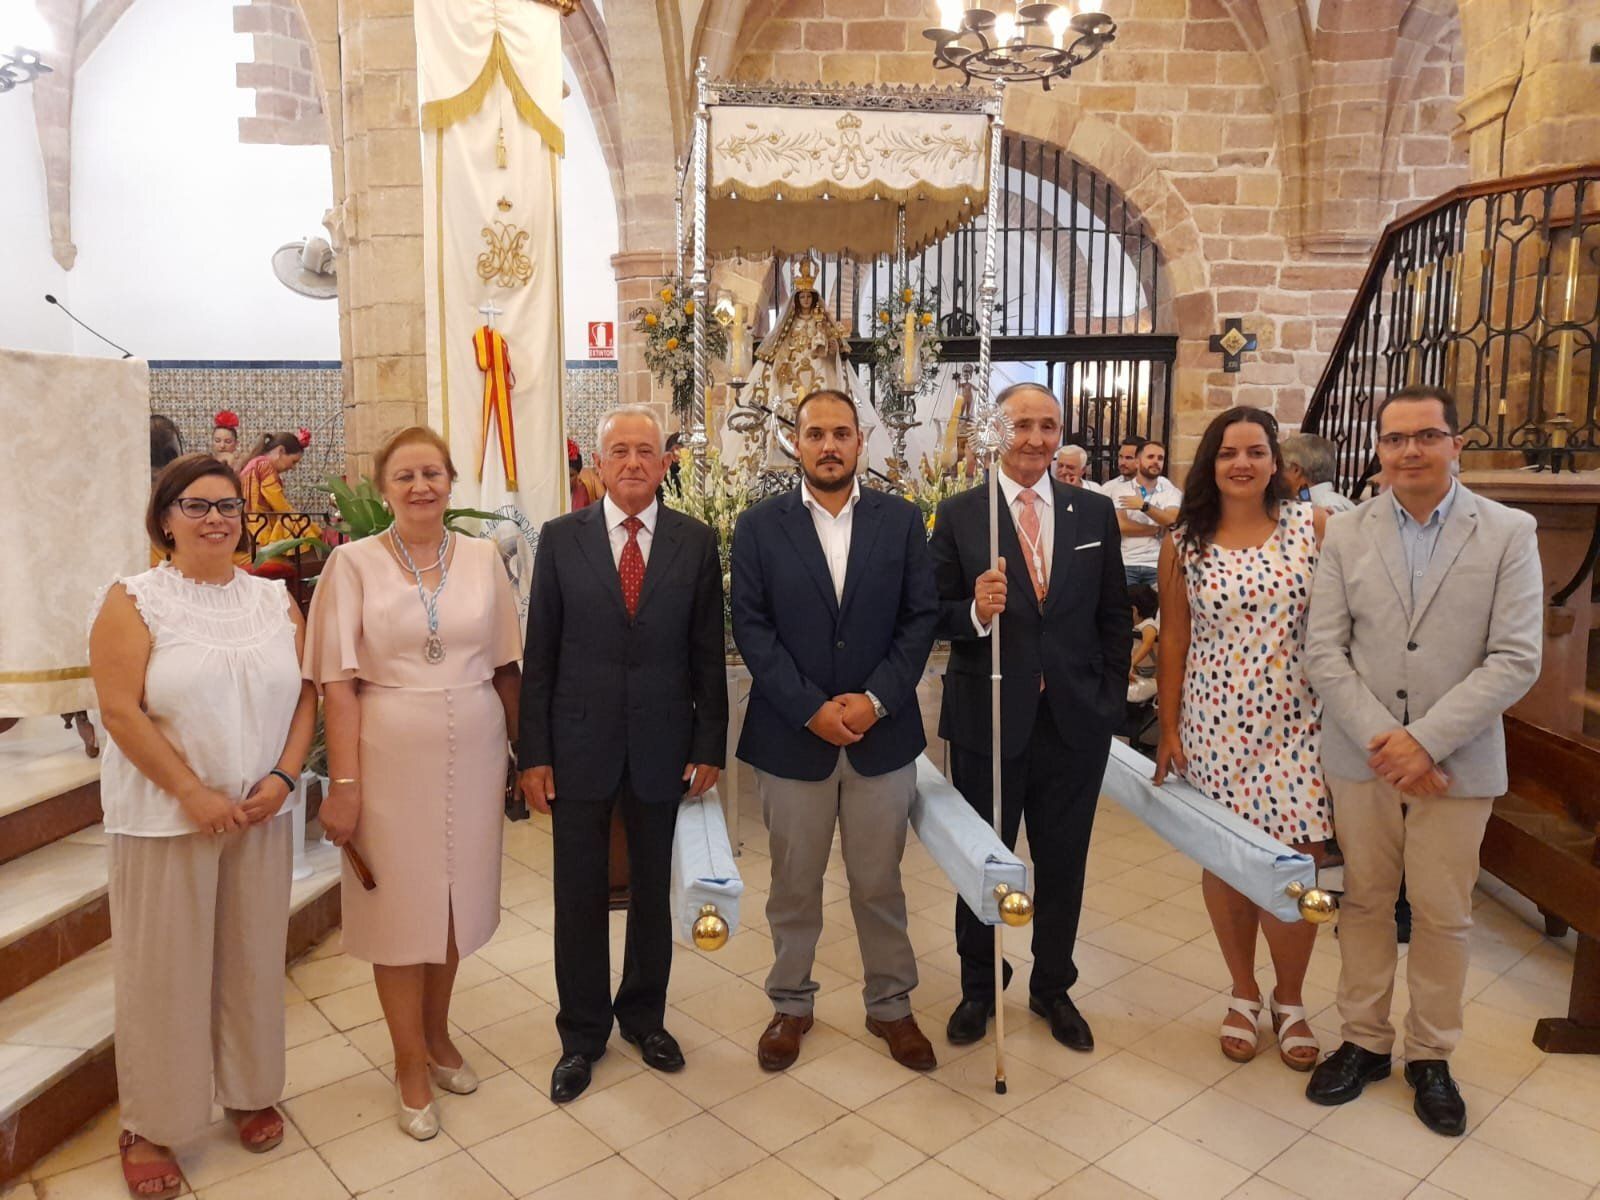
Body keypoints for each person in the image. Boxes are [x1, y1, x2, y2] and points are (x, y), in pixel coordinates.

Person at [1304, 385, 1543, 1137]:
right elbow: (1323, 650)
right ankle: (1364, 1041)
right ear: (1378, 449)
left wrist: (1427, 741)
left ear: (1454, 444)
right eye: (1395, 438)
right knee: (1366, 903)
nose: (1410, 450)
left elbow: (1515, 657)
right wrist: (1389, 742)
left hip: (1457, 763)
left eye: (1426, 436)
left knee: (1444, 914)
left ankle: (1431, 1055)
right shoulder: (1346, 532)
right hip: (1362, 756)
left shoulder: (1507, 531)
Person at [89, 454, 316, 1199]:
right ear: (165, 519)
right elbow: (121, 710)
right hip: (165, 819)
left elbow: (307, 692)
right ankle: (153, 1121)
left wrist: (284, 777)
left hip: (258, 813)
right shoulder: (134, 599)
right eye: (195, 505)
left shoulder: (271, 600)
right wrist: (191, 792)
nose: (215, 517)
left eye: (226, 505)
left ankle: (250, 1089)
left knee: (253, 958)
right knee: (165, 973)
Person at [304, 426, 522, 1140]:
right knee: (401, 911)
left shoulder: (485, 558)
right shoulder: (353, 565)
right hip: (388, 749)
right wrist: (344, 782)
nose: (421, 486)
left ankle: (438, 1034)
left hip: (477, 746)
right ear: (382, 489)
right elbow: (337, 683)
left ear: (452, 480)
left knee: (456, 900)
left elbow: (505, 667)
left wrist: (527, 757)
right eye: (404, 476)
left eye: (432, 472)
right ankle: (407, 1063)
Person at [518, 405, 726, 1103]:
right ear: (598, 465)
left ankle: (644, 1017)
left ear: (665, 464)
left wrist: (709, 744)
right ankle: (581, 1036)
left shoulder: (695, 541)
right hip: (577, 747)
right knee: (576, 897)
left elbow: (706, 654)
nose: (633, 462)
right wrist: (533, 754)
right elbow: (539, 654)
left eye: (645, 451)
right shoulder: (560, 538)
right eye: (619, 451)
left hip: (664, 746)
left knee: (651, 893)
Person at [731, 388, 939, 1073]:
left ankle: (891, 1007)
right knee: (794, 882)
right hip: (794, 739)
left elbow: (919, 619)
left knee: (879, 881)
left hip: (882, 739)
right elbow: (752, 628)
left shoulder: (901, 521)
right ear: (796, 441)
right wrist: (810, 708)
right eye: (815, 433)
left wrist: (875, 700)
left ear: (860, 441)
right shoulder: (760, 526)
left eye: (841, 433)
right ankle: (790, 1003)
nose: (828, 445)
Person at [932, 382, 1130, 1052]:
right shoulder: (962, 515)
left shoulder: (1091, 513)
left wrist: (1106, 701)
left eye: (1049, 426)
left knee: (1063, 859)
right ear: (997, 430)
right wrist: (972, 611)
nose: (1037, 439)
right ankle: (979, 986)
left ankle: (1053, 984)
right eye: (1023, 425)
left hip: (1074, 720)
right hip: (989, 714)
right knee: (982, 859)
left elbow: (1113, 617)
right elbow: (932, 613)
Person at [1152, 408, 1331, 1071]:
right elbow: (1174, 638)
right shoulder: (1184, 542)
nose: (1242, 463)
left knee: (1296, 865)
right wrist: (1167, 729)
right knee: (1227, 863)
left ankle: (1291, 1000)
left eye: (1256, 451)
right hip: (1212, 721)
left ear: (1276, 461)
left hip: (1295, 724)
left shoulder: (1311, 527)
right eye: (1229, 452)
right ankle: (1243, 990)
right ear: (1211, 462)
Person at [749, 256, 852, 463]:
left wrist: (824, 342)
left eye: (808, 297)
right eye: (802, 297)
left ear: (813, 299)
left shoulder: (821, 321)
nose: (805, 301)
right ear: (797, 300)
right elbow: (782, 346)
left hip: (818, 367)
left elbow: (833, 346)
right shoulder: (790, 324)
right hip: (794, 371)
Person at [1104, 439, 1181, 586]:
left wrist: (1143, 506)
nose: (1156, 462)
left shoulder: (1171, 492)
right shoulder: (1121, 489)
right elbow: (1122, 526)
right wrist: (1158, 529)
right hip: (1127, 562)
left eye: (1160, 458)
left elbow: (1172, 521)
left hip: (1158, 563)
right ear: (1138, 462)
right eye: (1150, 457)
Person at [239, 431, 320, 547]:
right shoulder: (264, 465)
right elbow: (278, 502)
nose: (292, 467)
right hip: (258, 527)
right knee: (299, 526)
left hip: (252, 525)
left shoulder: (256, 463)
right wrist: (295, 515)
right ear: (281, 451)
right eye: (293, 461)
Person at [1281, 433, 1355, 513]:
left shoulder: (1329, 507)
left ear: (1296, 470)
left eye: (1279, 467)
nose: (1274, 472)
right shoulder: (1332, 502)